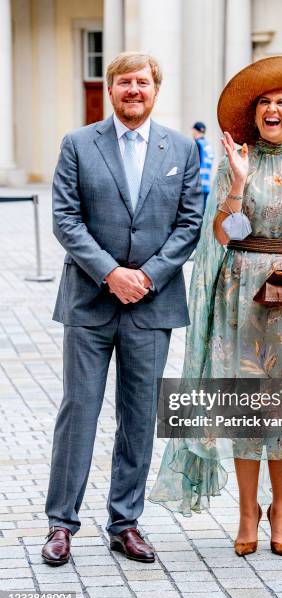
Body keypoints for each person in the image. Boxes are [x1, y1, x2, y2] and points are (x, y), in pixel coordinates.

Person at [149, 56, 282, 558]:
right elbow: (221, 234)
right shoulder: (239, 162)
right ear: (254, 116)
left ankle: (280, 504)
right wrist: (236, 183)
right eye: (264, 102)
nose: (272, 109)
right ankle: (246, 511)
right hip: (242, 296)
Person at [41, 51, 203, 566]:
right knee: (79, 413)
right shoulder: (78, 144)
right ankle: (61, 524)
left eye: (142, 82)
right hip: (90, 302)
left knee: (138, 418)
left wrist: (148, 276)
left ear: (156, 90)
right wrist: (112, 273)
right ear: (110, 90)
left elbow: (189, 224)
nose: (133, 90)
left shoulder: (180, 147)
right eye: (123, 82)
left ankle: (125, 523)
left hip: (152, 306)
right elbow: (66, 219)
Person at [192, 121, 214, 207]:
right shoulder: (207, 145)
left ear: (195, 130)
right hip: (206, 185)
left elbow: (194, 164)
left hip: (197, 185)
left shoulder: (198, 144)